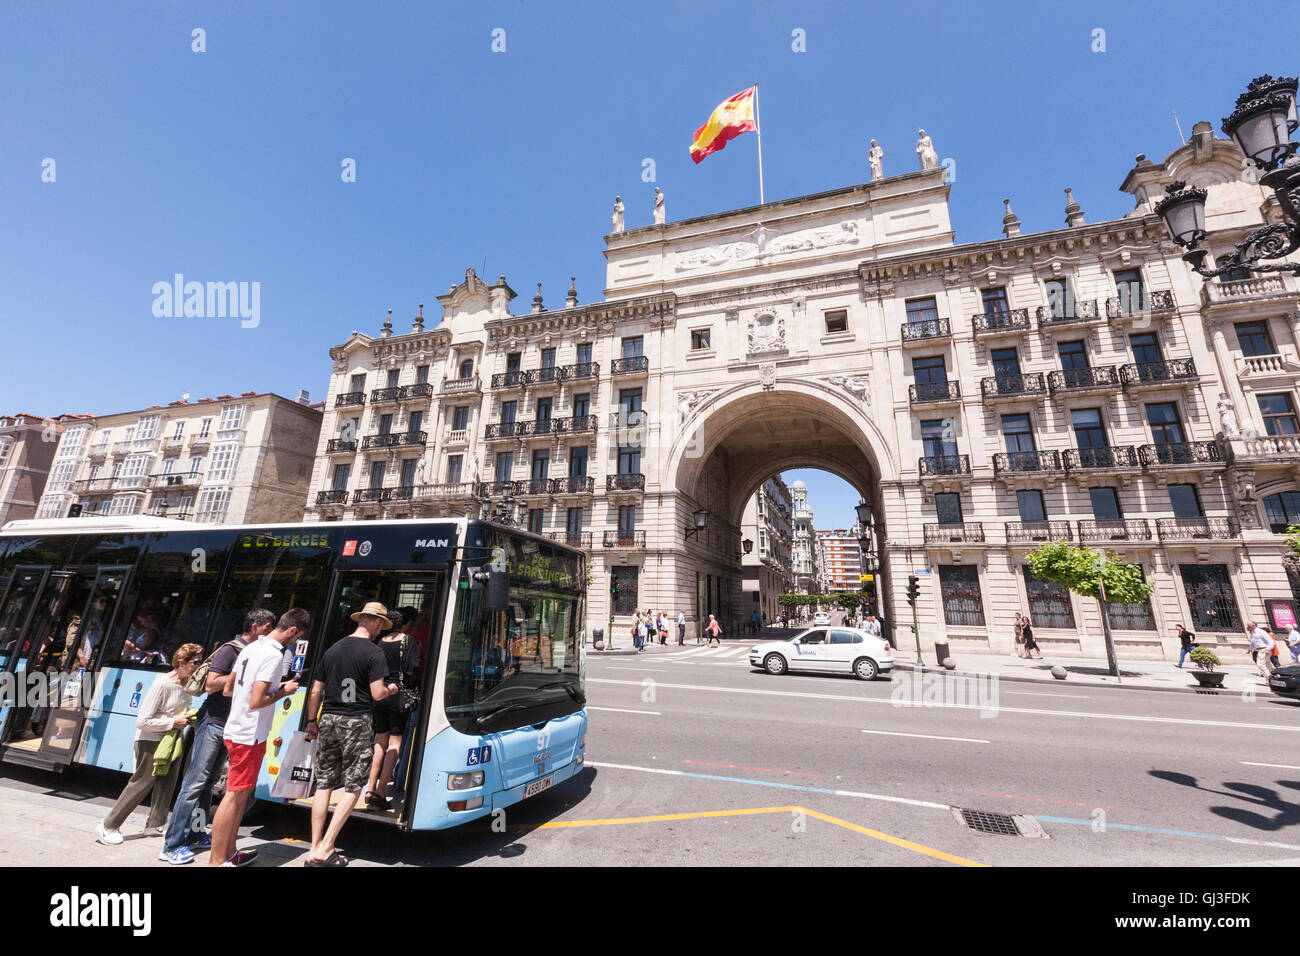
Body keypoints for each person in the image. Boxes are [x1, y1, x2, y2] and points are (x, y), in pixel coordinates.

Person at [159, 609, 275, 864]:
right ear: (255, 626)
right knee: (193, 783)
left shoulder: (254, 652)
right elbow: (211, 685)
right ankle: (172, 844)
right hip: (212, 722)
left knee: (210, 782)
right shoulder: (230, 650)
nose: (270, 632)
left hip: (229, 725)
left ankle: (197, 833)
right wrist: (240, 677)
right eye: (268, 627)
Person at [208, 608, 309, 867]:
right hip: (249, 734)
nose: (295, 643)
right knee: (233, 796)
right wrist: (284, 691)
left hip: (238, 728)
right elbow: (257, 701)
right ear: (292, 631)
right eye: (297, 637)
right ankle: (217, 860)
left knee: (239, 796)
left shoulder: (250, 647)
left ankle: (229, 853)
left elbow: (229, 689)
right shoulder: (273, 656)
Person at [302, 602, 398, 867]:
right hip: (356, 720)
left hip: (329, 717)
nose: (381, 630)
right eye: (381, 624)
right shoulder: (374, 652)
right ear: (376, 622)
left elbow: (314, 691)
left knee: (324, 784)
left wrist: (312, 720)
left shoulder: (333, 649)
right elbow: (378, 695)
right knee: (355, 784)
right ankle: (328, 846)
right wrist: (392, 689)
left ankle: (313, 847)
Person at [96, 644, 203, 847]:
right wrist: (173, 722)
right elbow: (142, 721)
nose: (199, 666)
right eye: (196, 662)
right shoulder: (162, 684)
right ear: (181, 663)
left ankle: (155, 825)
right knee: (142, 782)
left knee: (168, 782)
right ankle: (109, 825)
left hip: (172, 739)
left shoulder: (188, 683)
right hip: (151, 740)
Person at [366, 609, 409, 811]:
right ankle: (382, 790)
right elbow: (411, 669)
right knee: (395, 741)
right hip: (397, 694)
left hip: (379, 693)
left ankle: (370, 786)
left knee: (379, 740)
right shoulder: (407, 641)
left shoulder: (380, 642)